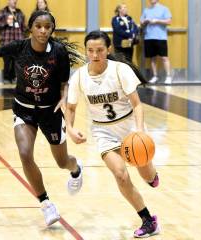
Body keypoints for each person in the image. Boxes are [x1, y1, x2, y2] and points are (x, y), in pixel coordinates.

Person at [0, 10, 83, 227]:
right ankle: (46, 204)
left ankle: (76, 169)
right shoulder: (18, 47)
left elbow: (64, 83)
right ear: (30, 28)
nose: (43, 30)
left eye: (48, 27)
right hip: (24, 110)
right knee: (25, 153)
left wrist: (64, 97)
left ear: (52, 29)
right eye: (38, 26)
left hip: (51, 111)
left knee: (62, 161)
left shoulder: (59, 51)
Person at [65, 30, 160, 238]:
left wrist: (140, 130)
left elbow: (136, 104)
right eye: (90, 50)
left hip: (128, 128)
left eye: (99, 50)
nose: (95, 54)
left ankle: (152, 175)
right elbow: (70, 107)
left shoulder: (120, 70)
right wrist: (70, 129)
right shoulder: (79, 76)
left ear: (108, 49)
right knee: (120, 175)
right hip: (103, 131)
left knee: (147, 176)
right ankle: (147, 220)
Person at [140, 0, 172, 84]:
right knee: (152, 58)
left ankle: (168, 76)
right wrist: (145, 21)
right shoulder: (146, 10)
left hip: (161, 37)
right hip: (148, 37)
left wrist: (156, 21)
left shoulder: (164, 9)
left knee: (164, 57)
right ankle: (155, 76)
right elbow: (141, 23)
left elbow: (169, 21)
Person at [0, 0, 26, 83]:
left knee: (17, 61)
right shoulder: (3, 11)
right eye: (12, 0)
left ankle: (14, 77)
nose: (15, 1)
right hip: (6, 41)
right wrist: (5, 22)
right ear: (8, 1)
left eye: (16, 0)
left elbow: (23, 26)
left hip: (18, 41)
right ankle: (6, 78)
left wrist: (23, 36)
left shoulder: (19, 12)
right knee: (7, 61)